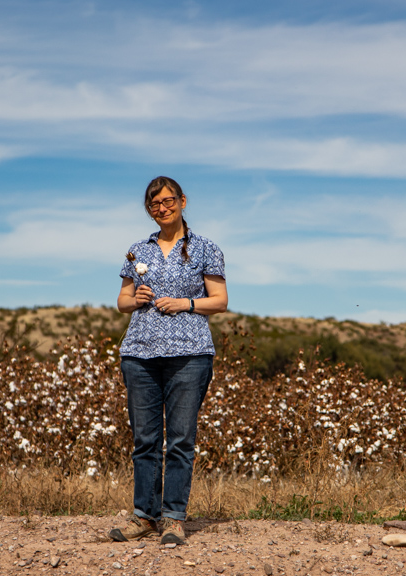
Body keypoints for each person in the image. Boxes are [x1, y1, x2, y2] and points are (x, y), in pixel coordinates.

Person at [108, 176, 228, 546]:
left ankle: (173, 518)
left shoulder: (206, 248)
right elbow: (122, 301)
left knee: (179, 440)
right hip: (140, 354)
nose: (161, 208)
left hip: (190, 355)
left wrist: (185, 304)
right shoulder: (137, 251)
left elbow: (220, 300)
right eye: (154, 204)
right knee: (145, 440)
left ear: (182, 201)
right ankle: (144, 515)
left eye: (167, 201)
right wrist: (137, 296)